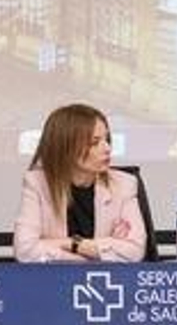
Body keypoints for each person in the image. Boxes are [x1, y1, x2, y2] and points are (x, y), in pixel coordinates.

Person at [14, 103, 147, 262]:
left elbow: (135, 250)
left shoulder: (124, 184)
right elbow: (25, 251)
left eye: (107, 139)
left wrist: (74, 245)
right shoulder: (36, 183)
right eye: (95, 142)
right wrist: (92, 254)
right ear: (66, 147)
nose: (107, 148)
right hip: (55, 281)